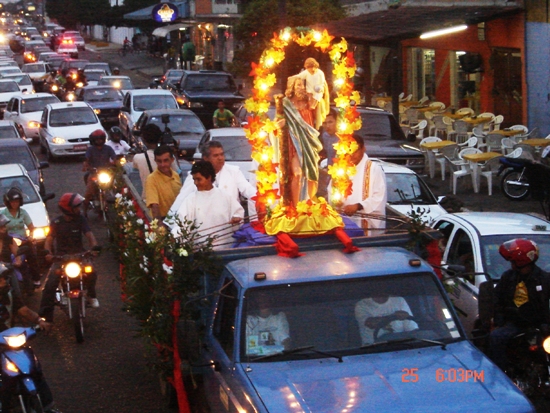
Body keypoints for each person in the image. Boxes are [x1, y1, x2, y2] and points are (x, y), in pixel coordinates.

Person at [0, 264, 61, 413]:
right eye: (1, 280)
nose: (4, 282)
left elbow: (24, 311)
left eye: (4, 279)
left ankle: (48, 406)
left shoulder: (9, 294)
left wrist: (40, 321)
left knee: (33, 367)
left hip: (7, 340)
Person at [489, 239, 550, 371]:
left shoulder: (545, 280)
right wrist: (499, 319)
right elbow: (496, 299)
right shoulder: (508, 277)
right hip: (515, 323)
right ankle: (501, 373)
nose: (512, 266)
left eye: (514, 263)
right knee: (496, 337)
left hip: (540, 325)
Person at [39, 193, 100, 322]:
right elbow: (49, 240)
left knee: (92, 271)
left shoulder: (81, 219)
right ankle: (44, 318)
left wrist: (94, 248)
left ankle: (91, 294)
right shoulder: (56, 222)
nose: (79, 209)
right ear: (68, 209)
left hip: (80, 255)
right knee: (50, 285)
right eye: (76, 207)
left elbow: (90, 236)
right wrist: (48, 253)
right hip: (61, 258)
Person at [169, 140, 257, 218]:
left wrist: (262, 200)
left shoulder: (233, 171)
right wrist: (167, 225)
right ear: (205, 158)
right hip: (207, 224)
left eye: (222, 154)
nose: (220, 158)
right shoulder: (196, 175)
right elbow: (181, 200)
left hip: (231, 225)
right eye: (216, 155)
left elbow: (248, 190)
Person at [172, 160, 243, 249]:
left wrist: (236, 219)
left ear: (209, 177)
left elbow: (238, 215)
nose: (196, 183)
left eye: (199, 179)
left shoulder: (225, 197)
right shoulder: (190, 200)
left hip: (226, 250)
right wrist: (173, 238)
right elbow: (181, 225)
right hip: (200, 252)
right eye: (194, 179)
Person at [277, 74, 323, 206]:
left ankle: (308, 202)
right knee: (297, 174)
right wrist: (280, 124)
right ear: (291, 87)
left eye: (303, 85)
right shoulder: (285, 104)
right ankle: (297, 207)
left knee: (311, 175)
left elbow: (319, 91)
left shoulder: (309, 103)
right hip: (293, 143)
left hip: (308, 143)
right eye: (298, 85)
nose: (301, 88)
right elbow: (277, 122)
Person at [328, 134, 387, 231]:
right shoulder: (340, 168)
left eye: (355, 150)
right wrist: (336, 202)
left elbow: (379, 196)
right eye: (347, 150)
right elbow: (331, 190)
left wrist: (358, 206)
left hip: (365, 222)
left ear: (363, 148)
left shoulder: (373, 169)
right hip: (344, 221)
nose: (351, 154)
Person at [1, 187, 41, 289]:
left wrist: (30, 237)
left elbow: (31, 227)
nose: (15, 204)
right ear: (8, 202)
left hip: (23, 241)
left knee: (32, 255)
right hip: (8, 240)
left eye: (17, 201)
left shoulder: (23, 213)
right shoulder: (3, 214)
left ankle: (36, 278)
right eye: (12, 201)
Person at [82, 129, 116, 217]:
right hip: (94, 174)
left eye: (100, 139)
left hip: (106, 173)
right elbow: (86, 160)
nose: (99, 141)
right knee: (88, 192)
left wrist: (115, 164)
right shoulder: (90, 150)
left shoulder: (108, 148)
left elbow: (114, 158)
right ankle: (84, 212)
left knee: (116, 187)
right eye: (97, 139)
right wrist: (87, 166)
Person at [145, 145, 182, 220]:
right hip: (163, 220)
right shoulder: (151, 179)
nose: (162, 165)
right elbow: (154, 206)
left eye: (166, 160)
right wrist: (159, 227)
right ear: (155, 161)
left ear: (172, 160)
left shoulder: (176, 175)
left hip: (177, 219)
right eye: (159, 161)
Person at [295, 57, 330, 129]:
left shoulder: (320, 73)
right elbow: (298, 76)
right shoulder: (306, 73)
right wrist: (291, 78)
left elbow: (323, 83)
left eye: (313, 67)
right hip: (309, 93)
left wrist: (320, 88)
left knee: (317, 94)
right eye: (309, 68)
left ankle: (314, 106)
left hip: (318, 91)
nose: (312, 70)